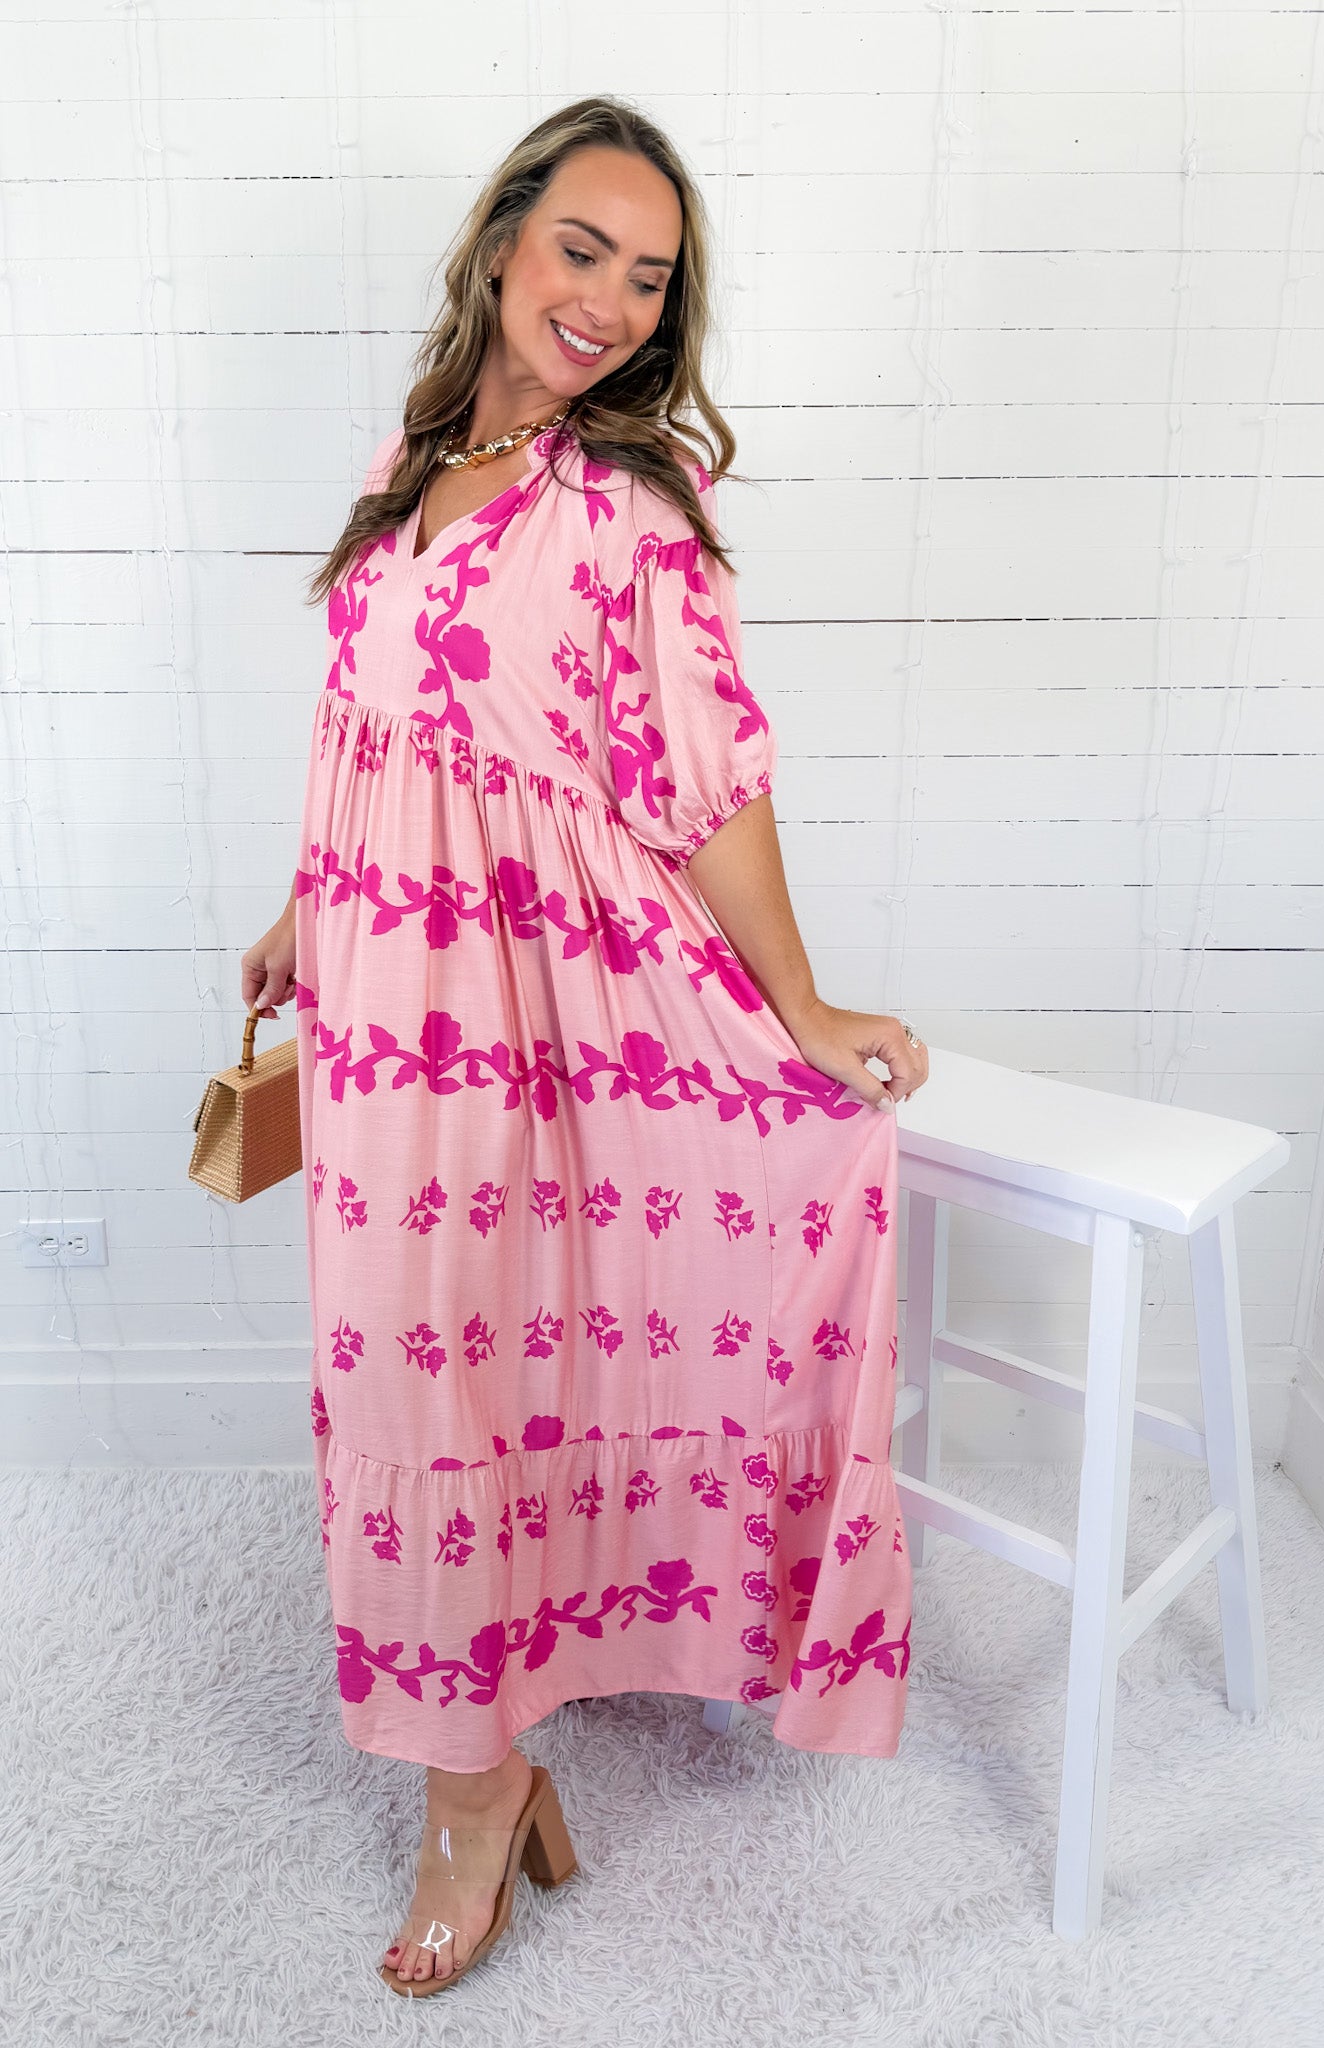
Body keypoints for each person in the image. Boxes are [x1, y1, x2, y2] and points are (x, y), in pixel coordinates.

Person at [242, 93, 928, 1998]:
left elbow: (705, 783)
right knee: (414, 1380)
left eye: (648, 277)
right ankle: (490, 1764)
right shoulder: (413, 455)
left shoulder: (628, 510)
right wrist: (306, 903)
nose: (610, 301)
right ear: (499, 244)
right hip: (389, 1000)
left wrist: (801, 1007)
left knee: (464, 1373)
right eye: (581, 250)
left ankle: (473, 1799)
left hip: (539, 1005)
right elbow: (374, 722)